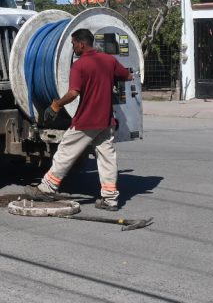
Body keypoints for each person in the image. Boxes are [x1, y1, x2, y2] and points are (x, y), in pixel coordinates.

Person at [27, 28, 134, 211]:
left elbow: (73, 92)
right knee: (107, 158)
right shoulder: (109, 60)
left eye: (74, 44)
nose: (73, 47)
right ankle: (110, 199)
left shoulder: (79, 65)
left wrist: (56, 105)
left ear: (82, 44)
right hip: (106, 120)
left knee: (65, 152)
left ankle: (47, 188)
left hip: (86, 120)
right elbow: (129, 75)